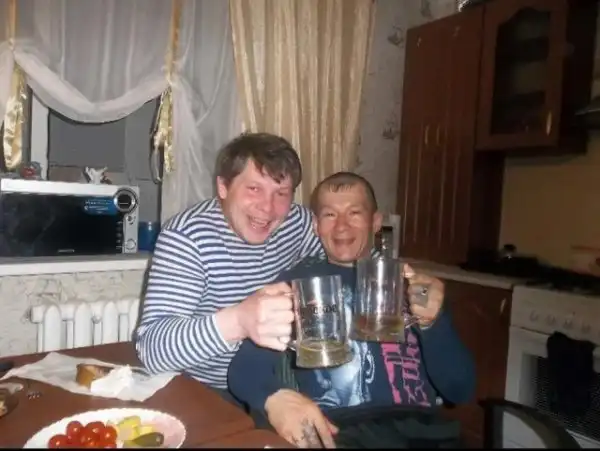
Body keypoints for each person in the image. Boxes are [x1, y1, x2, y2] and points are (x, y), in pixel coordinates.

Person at [228, 172, 476, 448]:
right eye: (330, 215)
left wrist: (434, 323)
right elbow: (243, 370)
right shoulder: (296, 285)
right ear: (316, 225)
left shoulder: (413, 285)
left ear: (376, 222)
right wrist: (275, 399)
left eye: (354, 213)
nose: (341, 226)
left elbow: (460, 391)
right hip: (341, 431)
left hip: (422, 430)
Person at [134, 132, 323, 403]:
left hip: (278, 381)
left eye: (281, 193)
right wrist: (239, 321)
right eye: (254, 189)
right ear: (223, 187)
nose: (267, 208)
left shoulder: (298, 223)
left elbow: (346, 258)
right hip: (207, 389)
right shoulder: (186, 237)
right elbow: (153, 351)